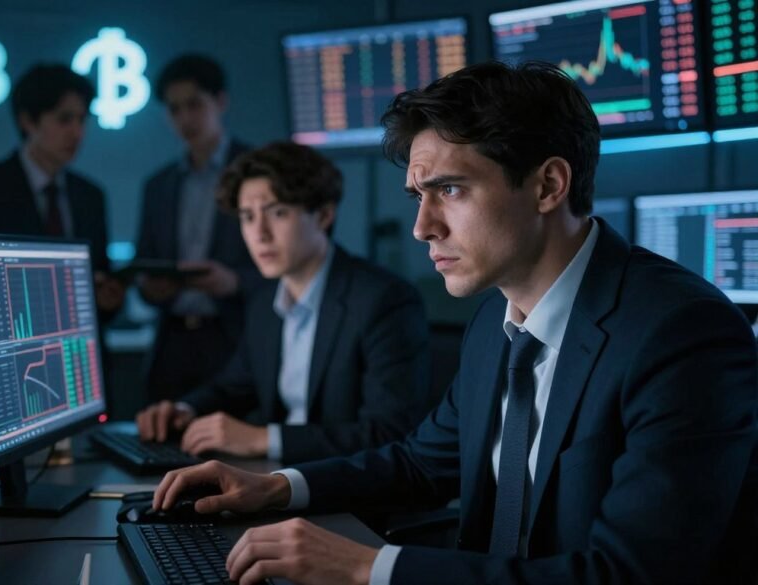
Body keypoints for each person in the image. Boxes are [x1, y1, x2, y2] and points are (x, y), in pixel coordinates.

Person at [151, 61, 758, 585]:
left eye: (450, 189)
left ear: (548, 184)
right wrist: (276, 487)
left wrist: (368, 568)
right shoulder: (496, 318)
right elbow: (419, 462)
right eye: (419, 195)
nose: (423, 227)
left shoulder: (683, 336)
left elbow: (623, 575)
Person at [135, 142, 432, 463]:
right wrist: (183, 410)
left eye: (277, 212)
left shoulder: (383, 301)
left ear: (323, 215)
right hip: (277, 482)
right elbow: (234, 386)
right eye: (248, 217)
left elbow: (389, 433)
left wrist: (265, 439)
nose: (258, 233)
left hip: (353, 496)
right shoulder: (265, 301)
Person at [0, 63, 124, 316]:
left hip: (81, 347)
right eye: (64, 119)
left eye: (82, 119)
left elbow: (102, 286)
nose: (77, 132)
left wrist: (110, 298)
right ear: (27, 120)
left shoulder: (90, 196)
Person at [135, 54, 262, 403]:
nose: (184, 118)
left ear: (220, 101)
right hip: (171, 341)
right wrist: (150, 288)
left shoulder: (259, 172)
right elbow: (143, 263)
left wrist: (234, 282)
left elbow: (291, 264)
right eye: (174, 109)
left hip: (235, 338)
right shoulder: (158, 185)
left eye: (194, 105)